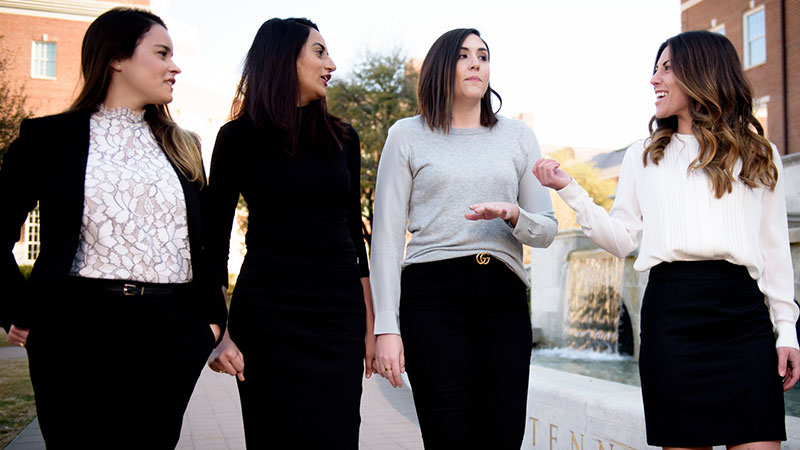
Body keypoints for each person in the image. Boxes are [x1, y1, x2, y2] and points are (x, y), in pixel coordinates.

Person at [533, 30, 800, 449]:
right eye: (655, 69)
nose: (654, 79)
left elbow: (774, 252)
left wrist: (786, 331)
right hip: (672, 318)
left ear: (701, 73)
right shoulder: (644, 155)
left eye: (667, 68)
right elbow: (622, 240)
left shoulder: (759, 155)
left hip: (744, 320)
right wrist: (570, 189)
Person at [0, 7, 226, 448]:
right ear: (117, 57)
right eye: (161, 53)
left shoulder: (185, 145)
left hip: (172, 333)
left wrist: (211, 325)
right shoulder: (48, 138)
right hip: (76, 333)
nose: (174, 66)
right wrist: (18, 312)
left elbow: (207, 245)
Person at [370, 28, 558, 449]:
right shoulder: (406, 134)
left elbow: (546, 229)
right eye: (463, 55)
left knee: (503, 437)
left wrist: (515, 216)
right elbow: (384, 237)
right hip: (432, 299)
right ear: (441, 67)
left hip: (503, 300)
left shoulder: (518, 135)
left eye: (484, 55)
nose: (477, 63)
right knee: (449, 438)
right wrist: (387, 326)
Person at [204, 17, 374, 449]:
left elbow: (356, 236)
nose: (331, 63)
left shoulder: (344, 138)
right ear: (283, 58)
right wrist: (218, 331)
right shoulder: (235, 138)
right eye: (319, 51)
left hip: (338, 317)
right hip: (266, 318)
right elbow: (213, 241)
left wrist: (372, 326)